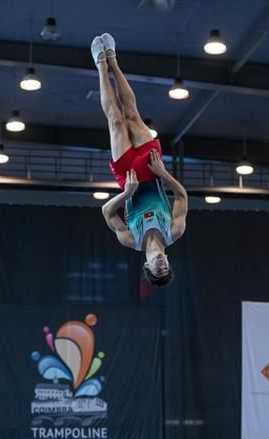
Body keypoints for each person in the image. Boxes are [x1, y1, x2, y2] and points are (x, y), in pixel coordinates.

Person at [91, 32, 188, 287]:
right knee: (132, 115)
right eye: (165, 267)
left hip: (128, 178)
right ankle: (113, 59)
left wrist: (127, 193)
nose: (161, 265)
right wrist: (163, 174)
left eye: (157, 270)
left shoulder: (129, 239)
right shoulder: (174, 231)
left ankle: (101, 65)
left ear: (147, 266)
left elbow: (106, 211)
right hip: (153, 168)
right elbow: (182, 197)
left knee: (115, 120)